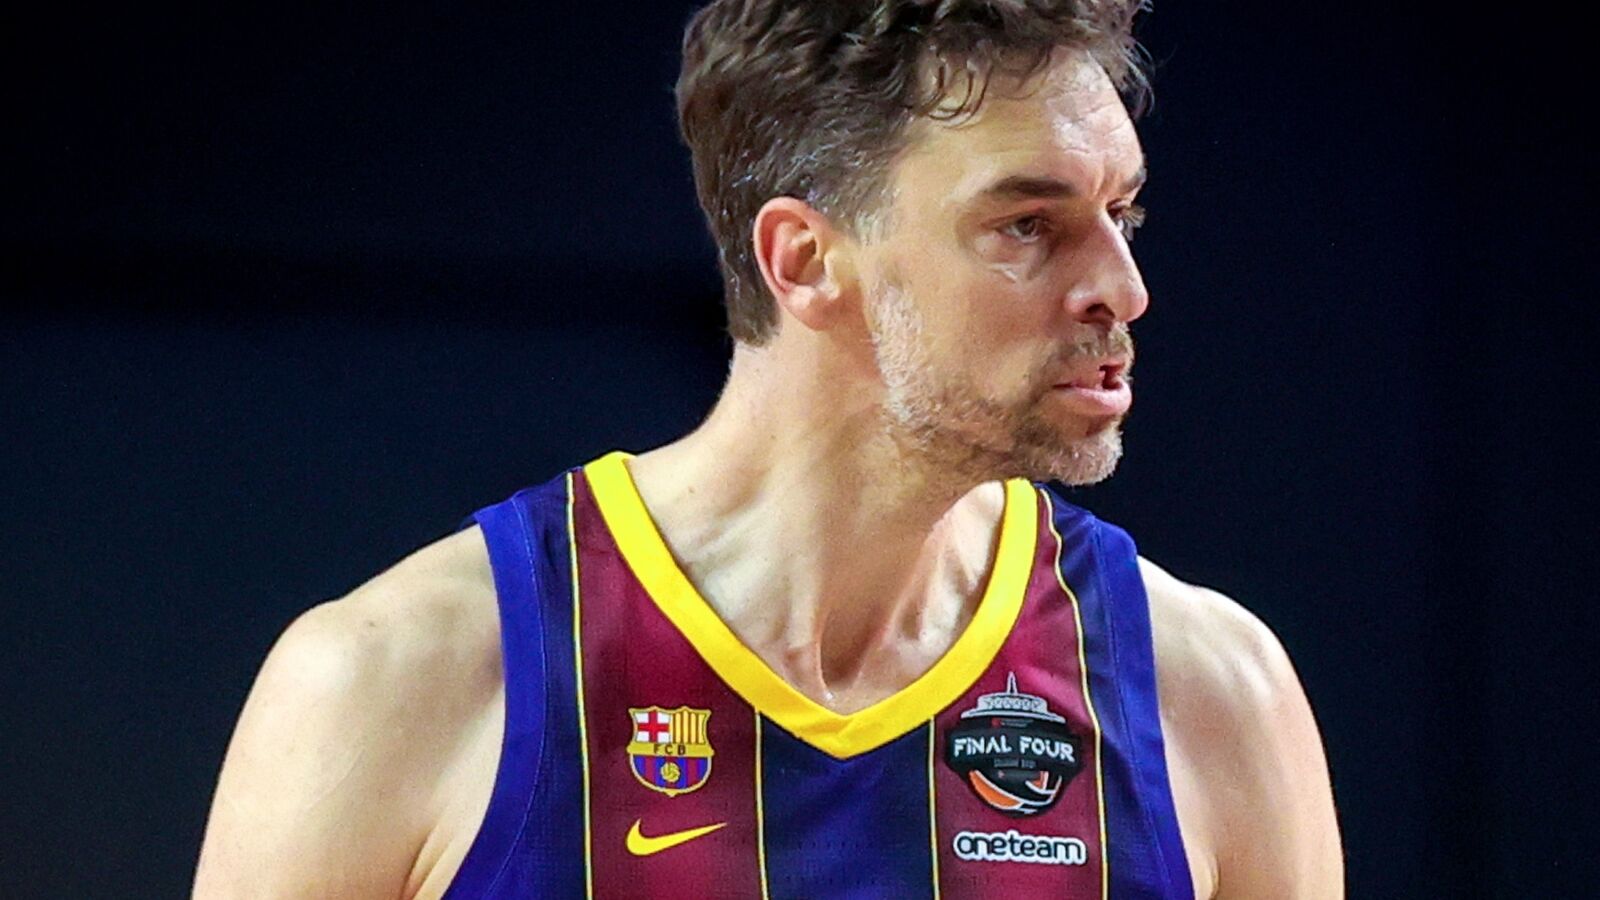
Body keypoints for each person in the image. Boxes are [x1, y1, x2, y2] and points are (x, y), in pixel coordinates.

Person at [194, 1, 1343, 897]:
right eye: (1027, 226)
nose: (1121, 289)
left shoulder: (1211, 692)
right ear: (804, 261)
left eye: (1122, 214)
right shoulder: (396, 683)